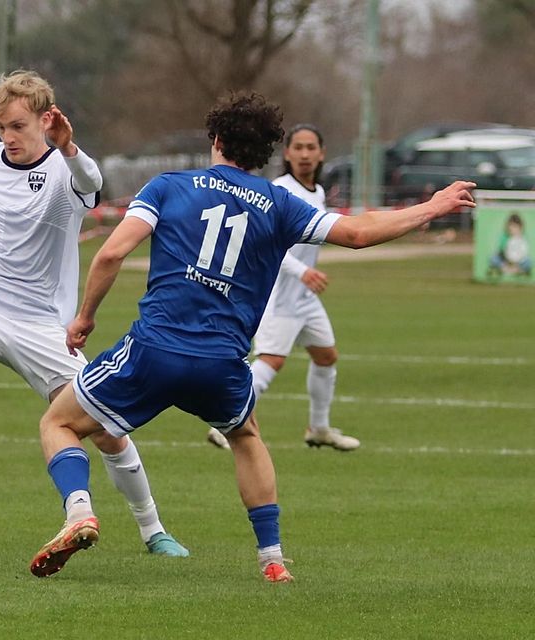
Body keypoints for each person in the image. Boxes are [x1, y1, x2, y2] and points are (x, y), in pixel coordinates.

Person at [28, 91, 475, 582]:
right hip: (222, 361)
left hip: (155, 348)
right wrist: (430, 207)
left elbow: (112, 254)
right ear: (267, 152)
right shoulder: (280, 203)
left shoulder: (168, 186)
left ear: (216, 139)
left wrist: (85, 317)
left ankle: (79, 514)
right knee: (245, 435)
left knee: (60, 423)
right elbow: (360, 233)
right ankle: (272, 558)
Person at [0, 70, 188, 557]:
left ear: (45, 119)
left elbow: (92, 182)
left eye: (17, 126)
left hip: (40, 324)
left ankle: (152, 529)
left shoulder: (65, 172)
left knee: (106, 430)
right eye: (1, 128)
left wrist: (68, 148)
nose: (7, 138)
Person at [207, 123, 359, 452]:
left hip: (303, 298)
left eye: (311, 148)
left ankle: (318, 428)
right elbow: (267, 244)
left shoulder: (317, 193)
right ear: (287, 153)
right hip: (276, 294)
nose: (305, 154)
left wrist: (305, 276)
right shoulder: (279, 189)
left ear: (322, 154)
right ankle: (226, 422)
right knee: (271, 360)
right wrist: (303, 270)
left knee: (326, 356)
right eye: (298, 148)